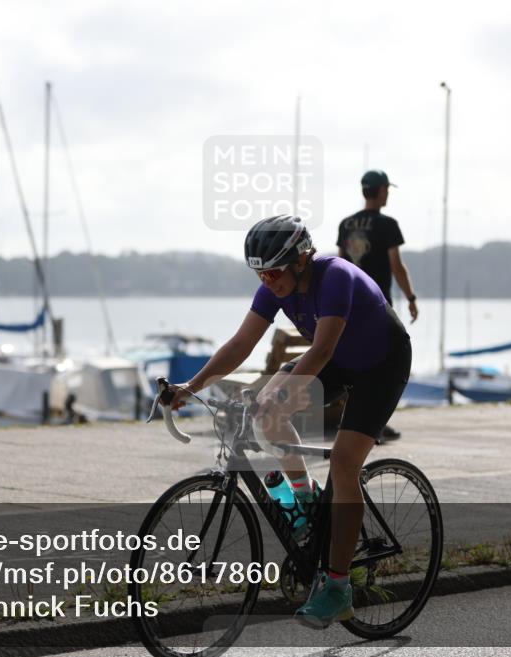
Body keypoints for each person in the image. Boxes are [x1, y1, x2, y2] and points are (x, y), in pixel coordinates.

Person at [166, 215, 412, 629]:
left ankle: (337, 587)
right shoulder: (273, 289)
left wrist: (282, 393)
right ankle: (307, 499)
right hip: (338, 360)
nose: (268, 281)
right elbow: (242, 344)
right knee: (266, 412)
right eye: (260, 274)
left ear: (301, 259)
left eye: (274, 271)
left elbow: (321, 350)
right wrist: (190, 387)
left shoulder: (334, 277)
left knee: (344, 463)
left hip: (380, 365)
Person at [337, 169, 418, 321]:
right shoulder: (388, 224)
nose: (388, 194)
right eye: (387, 189)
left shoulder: (345, 224)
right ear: (381, 190)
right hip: (378, 303)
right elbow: (397, 267)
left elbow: (340, 265)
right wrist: (411, 298)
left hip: (348, 303)